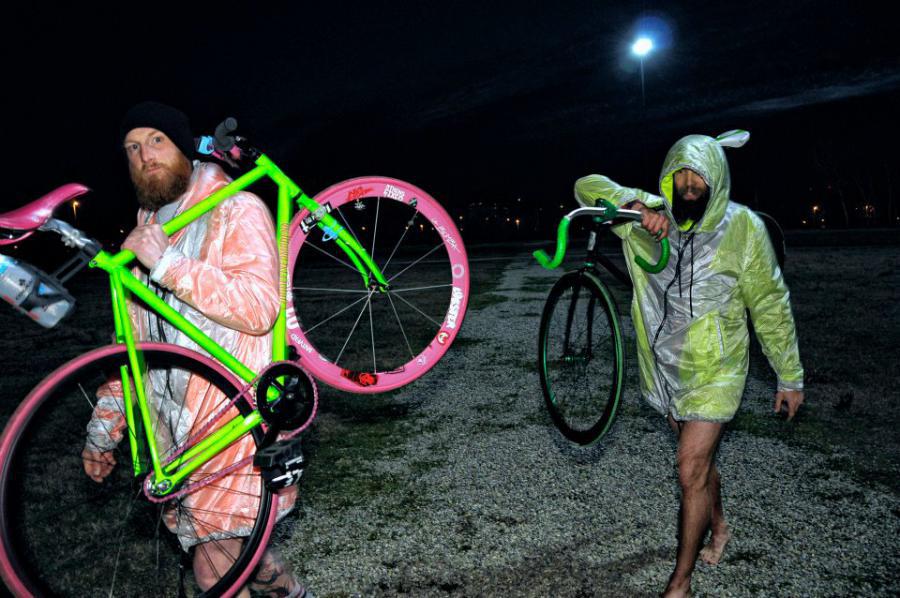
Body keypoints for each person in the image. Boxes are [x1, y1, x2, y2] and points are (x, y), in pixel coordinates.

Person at [81, 101, 310, 597]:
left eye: (156, 141)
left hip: (237, 428)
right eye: (132, 148)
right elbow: (130, 352)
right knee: (248, 559)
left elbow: (259, 307)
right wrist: (103, 431)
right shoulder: (139, 243)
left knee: (213, 573)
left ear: (185, 148)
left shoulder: (235, 209)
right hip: (177, 443)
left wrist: (168, 266)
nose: (145, 155)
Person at [574, 131, 804, 597]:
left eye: (699, 174)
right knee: (697, 465)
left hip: (719, 368)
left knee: (688, 467)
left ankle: (680, 584)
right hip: (666, 368)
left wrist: (789, 375)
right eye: (681, 174)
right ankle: (720, 527)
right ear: (669, 176)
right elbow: (585, 186)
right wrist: (635, 206)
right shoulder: (646, 218)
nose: (690, 183)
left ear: (716, 177)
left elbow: (769, 302)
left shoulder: (743, 227)